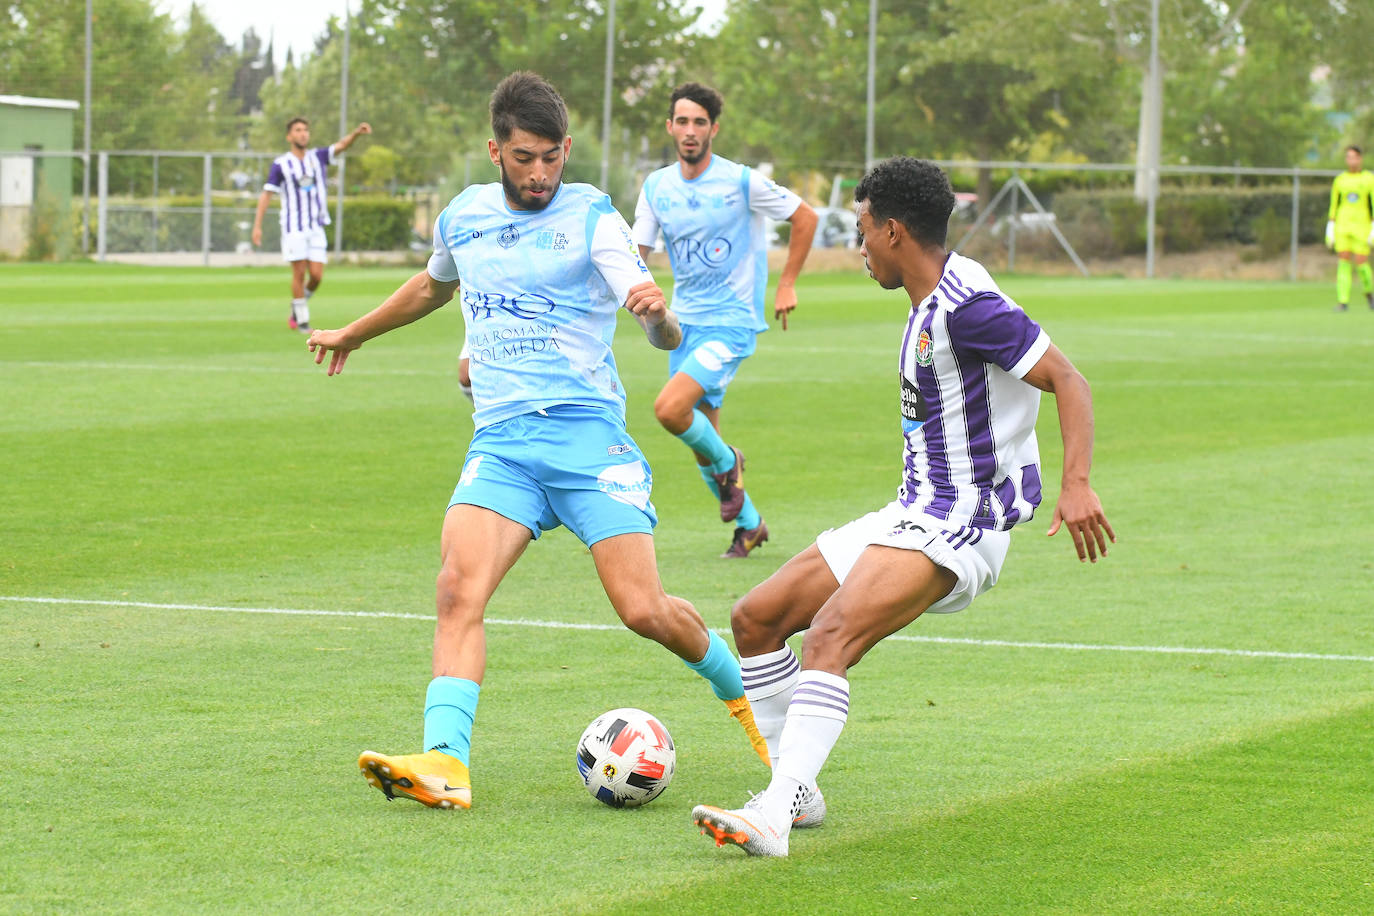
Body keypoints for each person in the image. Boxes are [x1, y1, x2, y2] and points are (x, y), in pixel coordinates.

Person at [304, 72, 770, 810]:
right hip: (503, 443)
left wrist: (659, 318)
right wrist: (354, 334)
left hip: (588, 440)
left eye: (552, 156)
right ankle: (446, 764)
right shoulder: (462, 218)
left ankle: (746, 694)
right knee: (458, 589)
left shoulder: (591, 217)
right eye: (524, 158)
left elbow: (658, 327)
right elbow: (432, 287)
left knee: (644, 610)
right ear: (496, 150)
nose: (540, 173)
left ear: (567, 149)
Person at [691, 157, 1116, 856]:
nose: (859, 248)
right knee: (756, 618)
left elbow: (1068, 379)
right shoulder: (930, 299)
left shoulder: (967, 307)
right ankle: (797, 790)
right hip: (914, 510)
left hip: (963, 523)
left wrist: (1075, 483)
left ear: (893, 231)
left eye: (861, 231)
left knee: (829, 636)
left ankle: (772, 815)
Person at [632, 82, 818, 559]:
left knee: (671, 410)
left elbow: (806, 217)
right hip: (682, 324)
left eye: (699, 122)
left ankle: (728, 460)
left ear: (713, 129)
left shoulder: (741, 181)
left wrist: (786, 283)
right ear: (669, 127)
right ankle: (750, 525)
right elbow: (638, 255)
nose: (690, 131)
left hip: (731, 323)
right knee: (700, 443)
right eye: (682, 121)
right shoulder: (657, 187)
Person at [252, 118, 372, 333]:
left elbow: (342, 146)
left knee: (316, 276)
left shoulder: (318, 157)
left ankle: (296, 307)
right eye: (298, 130)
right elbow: (267, 193)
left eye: (306, 130)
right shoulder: (281, 164)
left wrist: (356, 133)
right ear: (289, 136)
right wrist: (257, 226)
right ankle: (302, 321)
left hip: (316, 226)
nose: (303, 134)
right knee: (299, 273)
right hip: (294, 227)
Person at [1326, 145, 1374, 312]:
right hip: (1342, 226)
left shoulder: (1369, 179)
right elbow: (1334, 204)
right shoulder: (1340, 180)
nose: (1351, 160)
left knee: (1362, 264)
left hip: (1362, 227)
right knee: (1343, 263)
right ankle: (1343, 301)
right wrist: (1330, 226)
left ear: (1360, 159)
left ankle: (1369, 295)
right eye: (1348, 157)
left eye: (1354, 157)